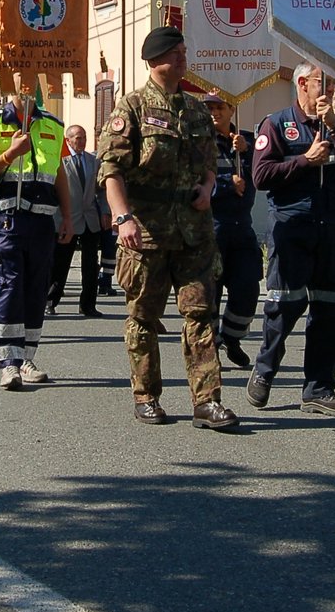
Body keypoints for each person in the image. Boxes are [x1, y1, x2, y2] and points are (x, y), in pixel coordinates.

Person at [97, 26, 237, 430]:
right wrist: (122, 217)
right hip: (147, 231)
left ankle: (207, 402)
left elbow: (209, 161)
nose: (182, 58)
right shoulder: (132, 108)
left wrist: (208, 188)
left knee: (200, 314)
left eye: (183, 51)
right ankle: (146, 395)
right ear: (154, 60)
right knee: (143, 317)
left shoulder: (196, 110)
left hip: (193, 231)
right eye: (174, 53)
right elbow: (111, 169)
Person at [247, 63, 335, 416]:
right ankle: (265, 370)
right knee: (284, 306)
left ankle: (319, 389)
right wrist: (304, 160)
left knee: (330, 309)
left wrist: (334, 128)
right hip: (292, 227)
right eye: (320, 82)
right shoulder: (276, 123)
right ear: (302, 83)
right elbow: (261, 175)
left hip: (330, 228)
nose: (327, 89)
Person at [0, 82, 73, 388]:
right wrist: (9, 154)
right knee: (11, 286)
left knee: (35, 289)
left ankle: (27, 357)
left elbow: (58, 175)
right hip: (7, 220)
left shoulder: (54, 126)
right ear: (10, 82)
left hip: (42, 221)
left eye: (32, 78)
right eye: (19, 77)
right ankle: (9, 363)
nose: (26, 85)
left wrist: (67, 216)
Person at [204, 92, 258, 369]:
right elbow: (195, 182)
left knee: (248, 288)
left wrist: (246, 153)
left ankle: (232, 338)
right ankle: (211, 344)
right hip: (212, 228)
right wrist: (226, 184)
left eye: (219, 107)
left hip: (242, 229)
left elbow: (261, 175)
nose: (215, 112)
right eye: (210, 107)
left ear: (231, 109)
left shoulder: (246, 141)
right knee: (209, 293)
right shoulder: (200, 142)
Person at [47, 124, 107, 318]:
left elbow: (102, 189)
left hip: (90, 218)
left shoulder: (93, 161)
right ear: (68, 140)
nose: (82, 141)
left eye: (84, 137)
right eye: (78, 138)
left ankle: (88, 304)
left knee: (90, 265)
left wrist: (105, 211)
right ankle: (50, 301)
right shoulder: (59, 161)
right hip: (66, 219)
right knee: (60, 263)